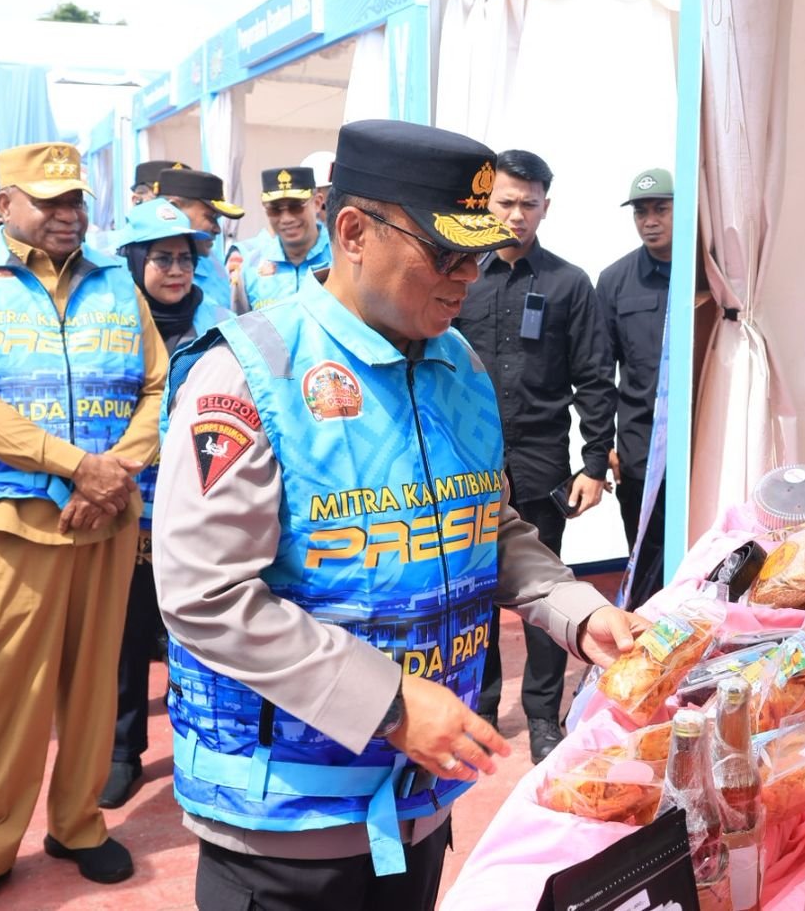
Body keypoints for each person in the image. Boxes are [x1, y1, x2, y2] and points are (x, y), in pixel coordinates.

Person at [153, 119, 646, 910]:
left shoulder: (457, 364)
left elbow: (487, 523)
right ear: (353, 232)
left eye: (478, 255)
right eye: (444, 255)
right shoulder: (250, 374)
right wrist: (386, 703)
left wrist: (576, 611)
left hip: (420, 806)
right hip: (287, 829)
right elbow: (203, 595)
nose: (467, 278)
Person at [0, 142, 166, 911]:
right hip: (12, 522)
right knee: (9, 692)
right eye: (49, 200)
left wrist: (114, 472)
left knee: (95, 683)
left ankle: (78, 823)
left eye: (76, 200)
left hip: (107, 517)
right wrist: (75, 466)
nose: (68, 215)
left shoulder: (116, 282)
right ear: (4, 205)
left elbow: (157, 386)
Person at [453, 149, 617, 761]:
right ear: (486, 204)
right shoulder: (461, 276)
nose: (516, 215)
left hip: (542, 459)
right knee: (473, 587)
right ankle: (480, 705)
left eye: (529, 203)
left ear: (547, 206)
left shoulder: (568, 283)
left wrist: (593, 463)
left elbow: (595, 376)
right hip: (466, 461)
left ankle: (543, 715)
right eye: (506, 202)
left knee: (545, 589)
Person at [100, 200, 232, 810]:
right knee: (127, 638)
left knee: (203, 634)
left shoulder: (221, 321)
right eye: (162, 258)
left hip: (204, 506)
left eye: (185, 258)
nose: (176, 270)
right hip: (128, 504)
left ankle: (202, 750)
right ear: (134, 260)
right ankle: (122, 752)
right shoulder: (112, 323)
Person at [596, 167, 673, 612]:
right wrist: (605, 445)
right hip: (639, 450)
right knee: (645, 561)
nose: (650, 221)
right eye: (641, 212)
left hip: (701, 446)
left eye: (661, 209)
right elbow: (600, 371)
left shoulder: (710, 272)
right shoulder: (615, 280)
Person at [231, 167, 332, 312]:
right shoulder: (251, 266)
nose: (286, 219)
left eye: (296, 206)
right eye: (275, 209)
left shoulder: (341, 257)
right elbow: (240, 322)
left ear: (317, 203)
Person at [158, 167, 242, 316]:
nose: (218, 229)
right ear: (174, 210)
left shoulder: (214, 264)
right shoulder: (131, 268)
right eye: (211, 217)